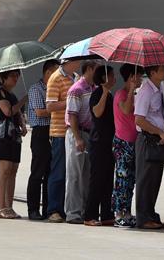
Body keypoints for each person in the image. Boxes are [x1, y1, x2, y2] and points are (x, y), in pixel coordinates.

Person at [45, 59, 80, 222]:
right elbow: (50, 106)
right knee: (58, 172)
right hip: (59, 132)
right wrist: (70, 102)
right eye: (77, 60)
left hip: (73, 130)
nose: (79, 63)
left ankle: (67, 208)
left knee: (71, 173)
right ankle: (53, 209)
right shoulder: (55, 78)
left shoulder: (76, 77)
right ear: (68, 61)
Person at [134, 64, 164, 229]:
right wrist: (160, 132)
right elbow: (139, 120)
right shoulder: (145, 91)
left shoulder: (159, 87)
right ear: (153, 73)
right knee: (145, 179)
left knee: (155, 179)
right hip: (148, 138)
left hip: (157, 139)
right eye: (161, 69)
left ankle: (151, 214)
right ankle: (143, 218)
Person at [0, 69, 28, 219]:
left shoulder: (12, 95)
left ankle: (9, 206)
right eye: (13, 76)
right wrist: (23, 101)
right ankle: (2, 207)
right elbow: (8, 111)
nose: (16, 79)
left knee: (13, 170)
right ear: (4, 78)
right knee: (4, 170)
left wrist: (23, 125)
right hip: (2, 135)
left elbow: (17, 114)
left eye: (17, 76)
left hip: (13, 136)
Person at [65, 60, 97, 224]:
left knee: (86, 175)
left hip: (89, 134)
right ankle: (73, 213)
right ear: (90, 69)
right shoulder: (76, 90)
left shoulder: (95, 88)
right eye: (97, 69)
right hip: (77, 133)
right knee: (75, 175)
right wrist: (78, 138)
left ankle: (84, 210)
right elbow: (72, 116)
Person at [84, 65, 117, 226]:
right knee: (97, 179)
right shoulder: (97, 94)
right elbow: (97, 112)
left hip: (109, 142)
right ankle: (89, 215)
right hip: (98, 143)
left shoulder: (110, 95)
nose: (114, 78)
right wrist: (104, 92)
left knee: (108, 179)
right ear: (104, 78)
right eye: (111, 75)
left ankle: (106, 213)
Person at [26, 59, 58, 220]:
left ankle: (48, 208)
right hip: (40, 132)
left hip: (53, 130)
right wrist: (58, 108)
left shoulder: (54, 89)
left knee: (50, 172)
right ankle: (33, 209)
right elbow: (40, 112)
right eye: (55, 72)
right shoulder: (36, 89)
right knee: (37, 172)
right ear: (48, 73)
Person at [112, 63, 141, 227]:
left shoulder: (132, 94)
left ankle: (127, 212)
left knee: (130, 180)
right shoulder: (121, 94)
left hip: (132, 142)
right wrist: (131, 89)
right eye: (138, 76)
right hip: (123, 143)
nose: (140, 79)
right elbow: (126, 110)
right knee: (122, 179)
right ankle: (119, 213)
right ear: (131, 77)